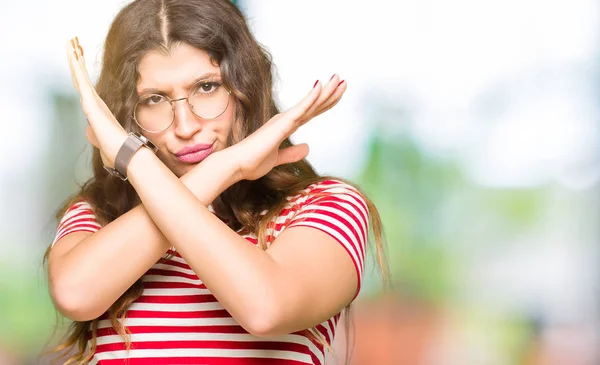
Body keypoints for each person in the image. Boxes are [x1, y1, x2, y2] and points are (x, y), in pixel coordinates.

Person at [45, 0, 388, 364]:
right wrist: (226, 167)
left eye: (207, 87)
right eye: (154, 98)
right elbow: (76, 294)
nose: (185, 126)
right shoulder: (100, 216)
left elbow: (266, 308)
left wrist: (131, 157)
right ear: (127, 117)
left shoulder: (326, 205)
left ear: (246, 87)